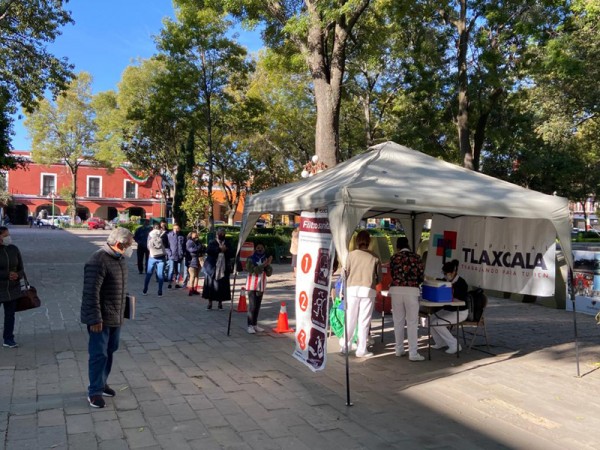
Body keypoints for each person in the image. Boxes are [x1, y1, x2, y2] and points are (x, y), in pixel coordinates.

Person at [80, 227, 134, 408]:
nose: (130, 248)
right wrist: (94, 318)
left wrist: (124, 312)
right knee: (99, 354)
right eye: (128, 245)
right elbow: (90, 293)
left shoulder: (119, 259)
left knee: (110, 350)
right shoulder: (98, 261)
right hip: (100, 319)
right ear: (119, 244)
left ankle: (102, 383)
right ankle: (94, 391)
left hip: (115, 315)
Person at [341, 230, 381, 358]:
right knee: (364, 321)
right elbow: (379, 277)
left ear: (357, 241)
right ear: (369, 242)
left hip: (352, 289)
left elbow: (344, 274)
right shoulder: (374, 257)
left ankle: (345, 346)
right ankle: (361, 349)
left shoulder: (350, 255)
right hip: (368, 289)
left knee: (350, 318)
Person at [389, 237, 425, 361]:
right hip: (412, 290)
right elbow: (421, 276)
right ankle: (413, 353)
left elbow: (392, 274)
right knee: (412, 322)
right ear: (408, 245)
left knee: (398, 321)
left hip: (396, 290)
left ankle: (399, 349)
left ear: (398, 246)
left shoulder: (394, 258)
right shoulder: (416, 257)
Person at [429, 259, 469, 354]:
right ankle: (440, 342)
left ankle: (455, 345)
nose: (446, 276)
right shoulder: (444, 281)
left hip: (460, 311)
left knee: (437, 323)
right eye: (444, 273)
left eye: (447, 274)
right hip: (448, 309)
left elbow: (460, 299)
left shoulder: (462, 283)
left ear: (453, 272)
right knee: (430, 320)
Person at [0, 226, 24, 348]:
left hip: (12, 288)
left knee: (10, 315)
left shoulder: (13, 249)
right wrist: (6, 275)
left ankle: (8, 338)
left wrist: (17, 275)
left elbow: (21, 267)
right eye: (5, 235)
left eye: (8, 235)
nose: (8, 237)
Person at [202, 228, 234, 310]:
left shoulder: (227, 242)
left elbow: (232, 252)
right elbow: (208, 250)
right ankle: (210, 303)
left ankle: (220, 303)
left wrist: (226, 250)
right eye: (220, 233)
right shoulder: (212, 242)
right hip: (212, 267)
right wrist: (219, 249)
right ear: (217, 234)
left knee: (222, 286)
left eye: (223, 233)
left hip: (223, 267)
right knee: (211, 286)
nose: (222, 235)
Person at [245, 243, 273, 334]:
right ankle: (249, 325)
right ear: (255, 249)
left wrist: (268, 265)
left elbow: (269, 273)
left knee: (257, 306)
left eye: (261, 248)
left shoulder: (265, 259)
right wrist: (263, 265)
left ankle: (254, 324)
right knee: (252, 306)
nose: (259, 249)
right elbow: (253, 270)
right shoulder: (250, 258)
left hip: (261, 284)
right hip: (252, 284)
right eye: (258, 248)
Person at [143, 224, 167, 297]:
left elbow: (148, 246)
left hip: (152, 257)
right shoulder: (163, 235)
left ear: (153, 228)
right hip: (161, 257)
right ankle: (160, 292)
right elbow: (166, 245)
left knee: (149, 273)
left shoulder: (150, 235)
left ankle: (145, 290)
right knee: (160, 275)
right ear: (160, 228)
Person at [166, 223, 186, 288]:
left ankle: (177, 282)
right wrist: (170, 253)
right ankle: (170, 283)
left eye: (178, 228)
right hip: (172, 256)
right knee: (171, 270)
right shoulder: (169, 235)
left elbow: (184, 245)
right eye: (175, 228)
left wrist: (183, 253)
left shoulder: (182, 236)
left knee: (179, 271)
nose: (176, 230)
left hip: (180, 256)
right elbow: (166, 246)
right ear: (173, 228)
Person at [185, 231, 204, 296]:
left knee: (196, 276)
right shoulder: (189, 242)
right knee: (192, 276)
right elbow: (192, 250)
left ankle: (195, 289)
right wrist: (199, 247)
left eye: (197, 235)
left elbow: (202, 248)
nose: (196, 236)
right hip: (191, 261)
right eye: (195, 235)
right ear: (191, 235)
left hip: (198, 260)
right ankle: (190, 290)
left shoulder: (198, 242)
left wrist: (201, 247)